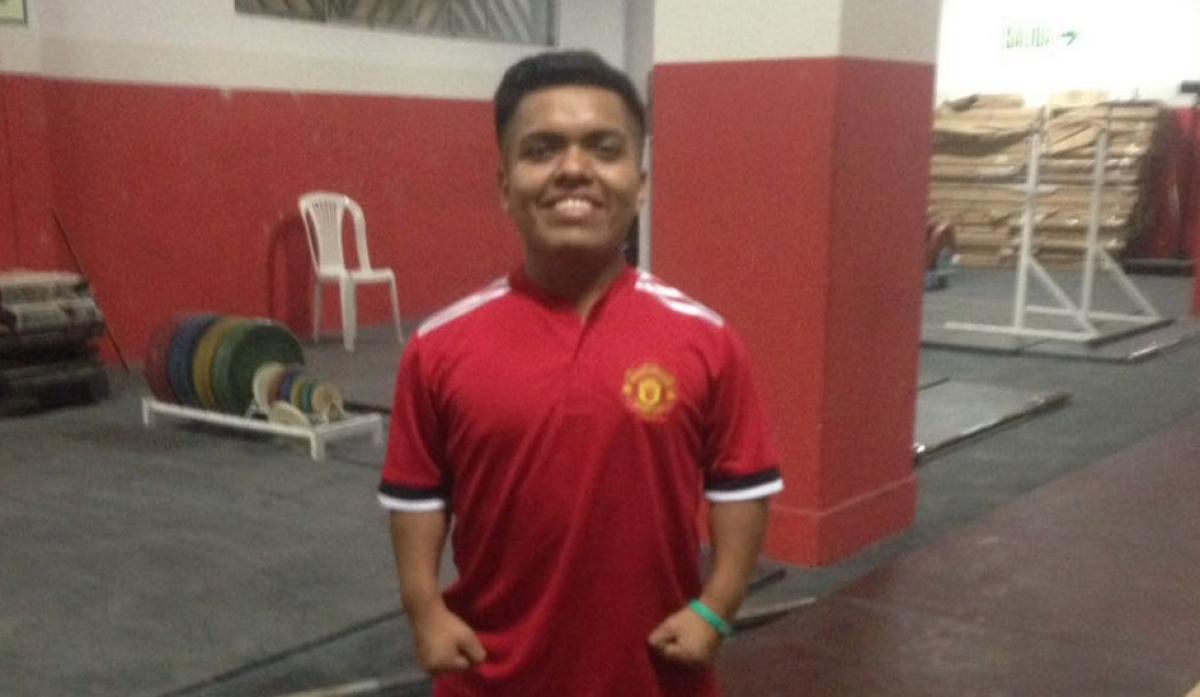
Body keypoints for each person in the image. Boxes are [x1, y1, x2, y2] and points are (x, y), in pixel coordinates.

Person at [378, 50, 783, 696]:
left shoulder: (707, 339)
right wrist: (424, 610)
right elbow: (417, 494)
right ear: (506, 186)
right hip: (489, 676)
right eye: (541, 150)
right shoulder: (439, 346)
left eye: (604, 148)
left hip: (656, 675)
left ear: (641, 181)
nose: (574, 169)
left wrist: (718, 605)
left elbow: (741, 483)